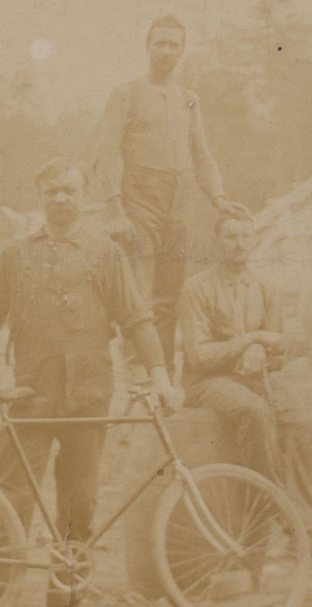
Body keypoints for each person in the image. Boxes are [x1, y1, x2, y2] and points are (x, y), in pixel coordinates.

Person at [0, 158, 178, 607]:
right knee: (13, 500)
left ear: (84, 197)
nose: (60, 199)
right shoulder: (14, 255)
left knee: (79, 505)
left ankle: (67, 603)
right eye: (52, 191)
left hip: (88, 397)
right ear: (40, 197)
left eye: (69, 190)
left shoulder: (106, 254)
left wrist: (161, 375)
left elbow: (137, 320)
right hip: (30, 396)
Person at [94, 14, 249, 366]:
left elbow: (202, 154)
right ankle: (139, 379)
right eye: (159, 43)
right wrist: (115, 209)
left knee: (170, 297)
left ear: (182, 50)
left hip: (179, 200)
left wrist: (220, 200)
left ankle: (161, 376)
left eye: (173, 45)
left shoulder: (190, 99)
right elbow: (107, 153)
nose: (166, 51)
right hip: (138, 199)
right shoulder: (126, 93)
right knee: (141, 293)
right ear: (147, 46)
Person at [178, 215, 285, 484]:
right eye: (231, 237)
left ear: (255, 240)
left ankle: (303, 508)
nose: (239, 244)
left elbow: (278, 348)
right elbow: (199, 357)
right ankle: (269, 503)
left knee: (297, 414)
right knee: (255, 410)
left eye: (245, 236)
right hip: (205, 383)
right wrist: (250, 339)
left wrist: (259, 349)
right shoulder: (196, 288)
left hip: (251, 378)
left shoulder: (266, 288)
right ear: (217, 243)